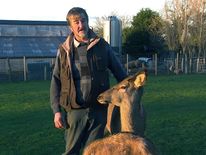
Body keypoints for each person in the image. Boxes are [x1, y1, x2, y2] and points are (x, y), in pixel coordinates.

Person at [50, 7, 127, 155]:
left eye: (83, 20)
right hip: (75, 112)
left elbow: (120, 73)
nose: (81, 25)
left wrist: (131, 91)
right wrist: (56, 111)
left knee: (93, 152)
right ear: (70, 27)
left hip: (99, 111)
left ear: (87, 21)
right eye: (76, 22)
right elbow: (56, 81)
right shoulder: (64, 51)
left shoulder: (102, 46)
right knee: (71, 151)